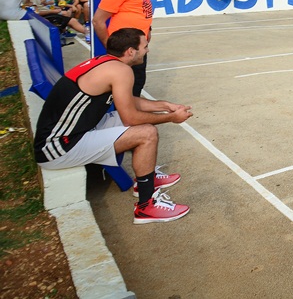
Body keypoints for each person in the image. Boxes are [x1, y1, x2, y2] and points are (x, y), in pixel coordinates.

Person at [34, 28, 192, 224]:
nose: (147, 51)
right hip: (58, 147)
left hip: (71, 133)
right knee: (146, 133)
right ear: (130, 52)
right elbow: (131, 119)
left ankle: (146, 178)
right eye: (145, 47)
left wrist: (165, 106)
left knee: (125, 118)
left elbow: (129, 101)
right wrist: (171, 118)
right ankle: (145, 208)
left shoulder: (106, 63)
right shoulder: (122, 71)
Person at [93, 0, 153, 97]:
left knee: (138, 82)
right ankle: (128, 118)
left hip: (139, 41)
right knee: (129, 88)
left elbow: (142, 5)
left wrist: (148, 29)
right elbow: (98, 21)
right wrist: (113, 50)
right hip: (126, 48)